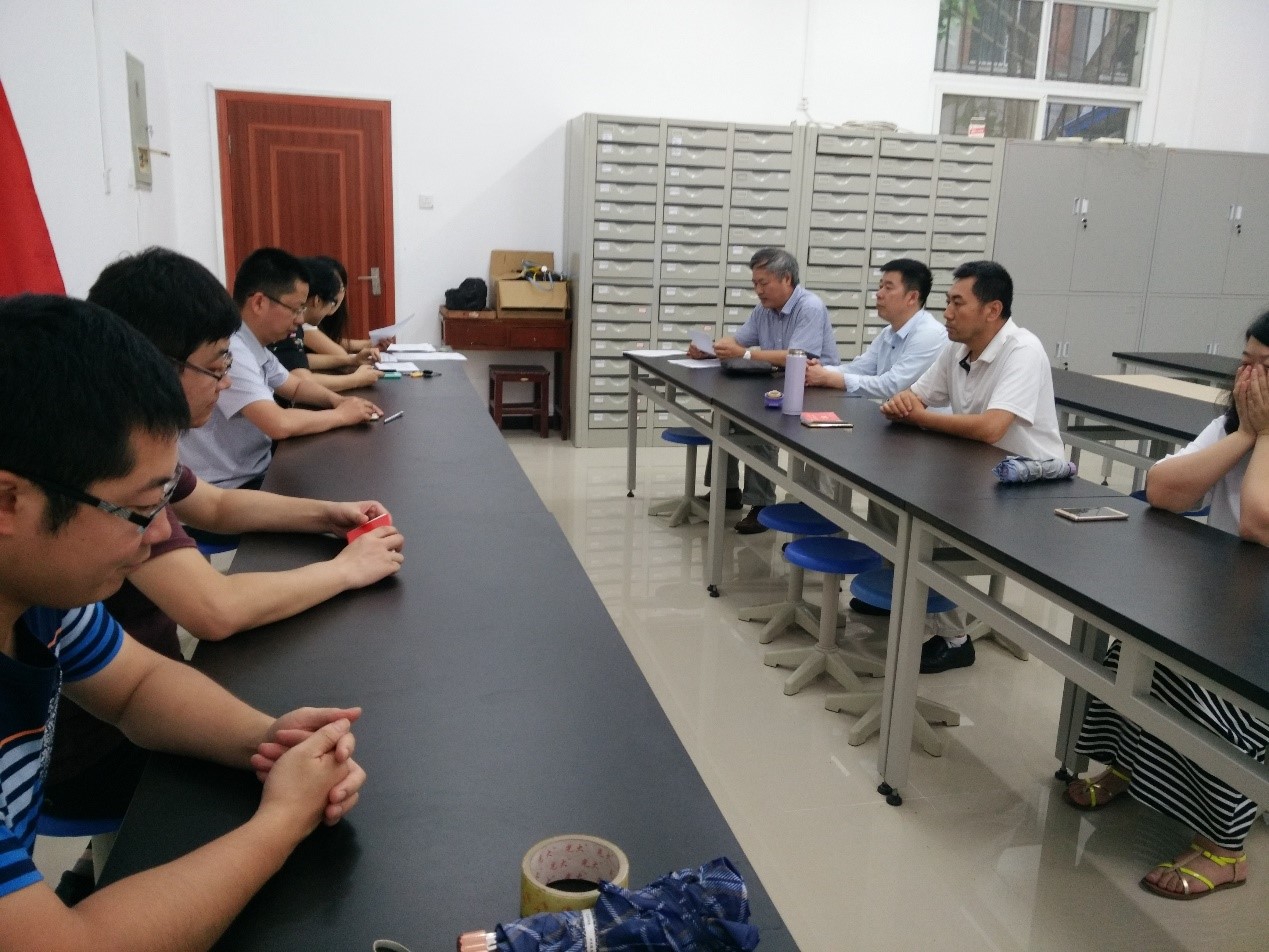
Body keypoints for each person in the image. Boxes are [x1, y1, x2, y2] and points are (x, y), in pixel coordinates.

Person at [0, 294, 365, 950]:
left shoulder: (38, 595)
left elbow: (137, 687)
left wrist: (268, 739)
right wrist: (282, 820)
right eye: (139, 510)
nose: (155, 539)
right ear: (8, 501)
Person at [38, 248, 403, 856]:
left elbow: (212, 508)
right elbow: (213, 609)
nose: (227, 381)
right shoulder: (99, 472)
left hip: (131, 710)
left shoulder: (62, 605)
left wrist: (327, 513)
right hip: (96, 755)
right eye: (215, 366)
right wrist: (343, 571)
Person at [1062, 310, 1269, 900]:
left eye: (1266, 367)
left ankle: (1225, 849)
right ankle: (1133, 765)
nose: (1250, 380)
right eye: (1245, 364)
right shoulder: (1234, 425)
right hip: (1227, 592)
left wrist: (1266, 437)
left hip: (1257, 621)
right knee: (1136, 656)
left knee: (1221, 702)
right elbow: (1162, 490)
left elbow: (1258, 524)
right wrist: (1245, 435)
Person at [880, 260, 1064, 672]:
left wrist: (920, 417)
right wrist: (904, 404)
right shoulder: (957, 347)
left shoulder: (1023, 350)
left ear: (992, 310)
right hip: (978, 473)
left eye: (957, 303)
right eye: (947, 301)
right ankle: (903, 597)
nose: (946, 312)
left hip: (1028, 486)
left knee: (927, 521)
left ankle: (954, 639)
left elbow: (991, 428)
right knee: (890, 502)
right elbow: (918, 396)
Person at [179, 247, 383, 491]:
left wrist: (338, 401)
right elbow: (278, 423)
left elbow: (294, 386)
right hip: (232, 484)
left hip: (257, 467)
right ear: (259, 303)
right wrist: (341, 415)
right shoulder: (233, 349)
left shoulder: (254, 344)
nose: (300, 320)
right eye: (295, 309)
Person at [686, 247, 840, 534]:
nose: (757, 290)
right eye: (755, 283)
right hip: (777, 382)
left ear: (786, 279)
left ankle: (761, 503)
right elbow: (739, 342)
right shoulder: (764, 310)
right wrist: (711, 350)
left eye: (763, 283)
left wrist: (743, 354)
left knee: (759, 425)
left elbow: (798, 357)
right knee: (726, 413)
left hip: (815, 389)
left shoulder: (810, 307)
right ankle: (727, 489)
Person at [805, 258, 946, 398]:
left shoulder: (929, 334)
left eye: (888, 288)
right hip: (894, 411)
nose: (879, 294)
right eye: (880, 286)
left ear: (912, 297)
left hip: (924, 413)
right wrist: (817, 370)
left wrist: (829, 378)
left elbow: (893, 385)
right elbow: (860, 368)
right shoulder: (889, 332)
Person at [269, 256, 383, 392]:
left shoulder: (296, 324)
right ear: (317, 300)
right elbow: (302, 381)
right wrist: (356, 379)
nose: (332, 308)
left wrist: (351, 360)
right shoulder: (286, 324)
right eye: (332, 302)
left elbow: (298, 359)